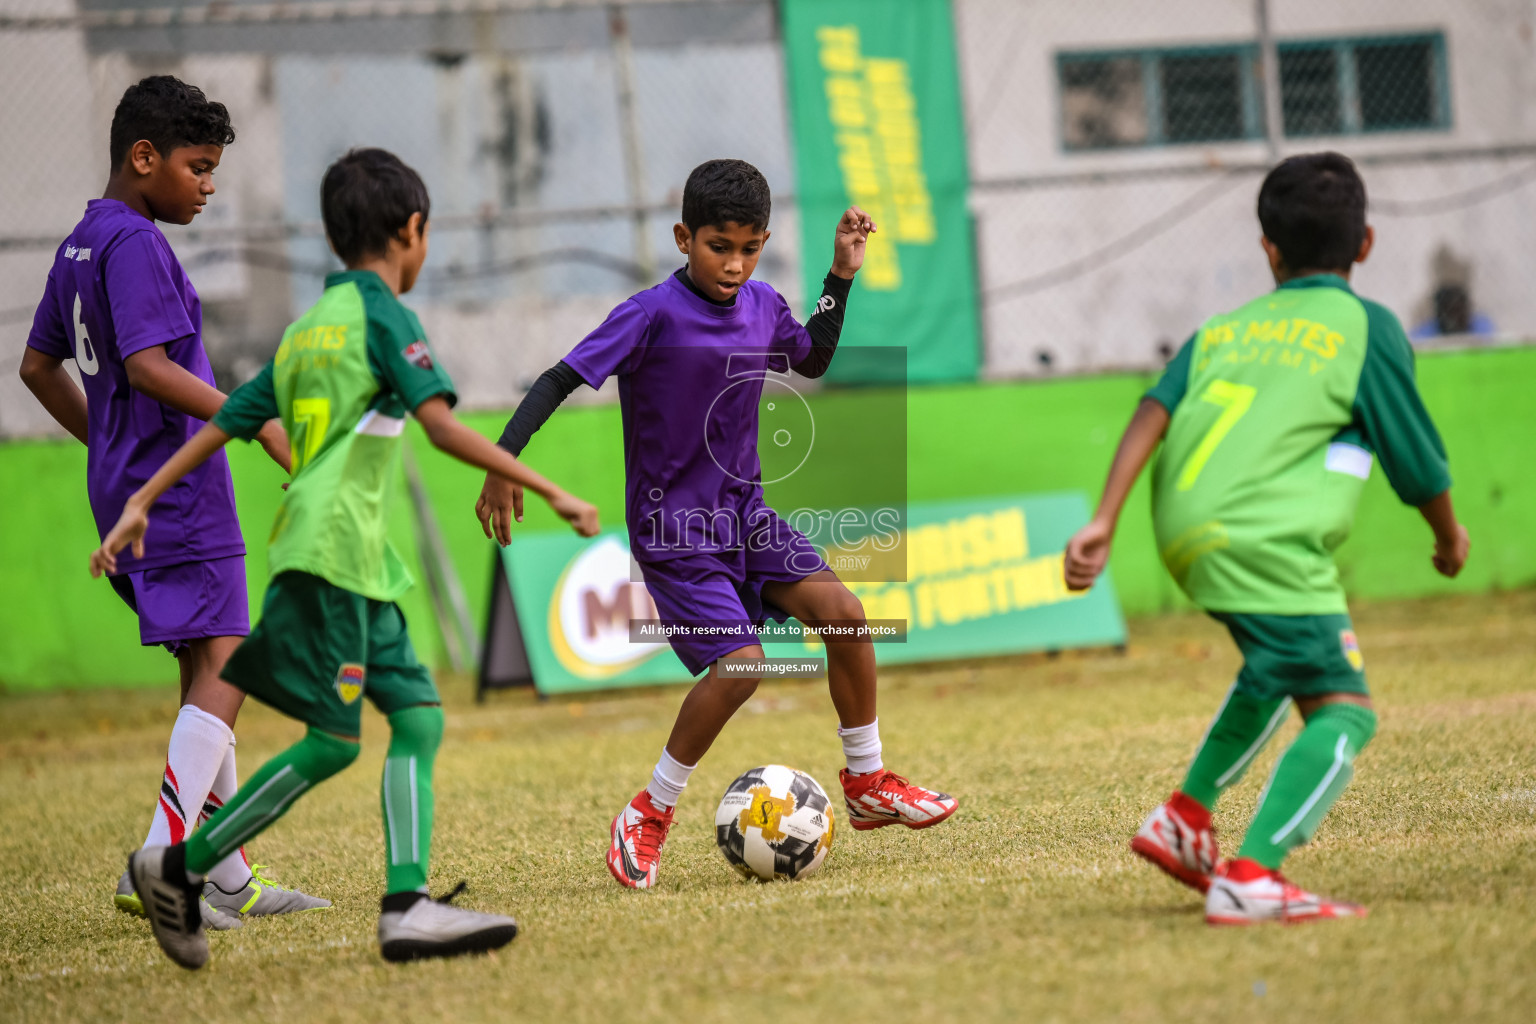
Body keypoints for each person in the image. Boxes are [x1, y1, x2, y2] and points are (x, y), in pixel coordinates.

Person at [92, 147, 600, 969]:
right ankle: (175, 868)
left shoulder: (307, 329)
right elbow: (440, 425)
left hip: (356, 563)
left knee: (419, 717)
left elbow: (225, 423)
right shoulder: (387, 317)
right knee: (332, 740)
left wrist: (142, 500)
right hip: (332, 558)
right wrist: (548, 488)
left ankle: (406, 907)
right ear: (413, 231)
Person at [475, 158, 958, 891]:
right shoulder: (648, 315)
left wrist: (841, 276)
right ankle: (649, 811)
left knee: (846, 614)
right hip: (675, 529)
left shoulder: (763, 303)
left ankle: (866, 782)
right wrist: (503, 461)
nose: (734, 264)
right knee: (742, 669)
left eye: (750, 247)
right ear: (683, 238)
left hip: (748, 515)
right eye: (718, 246)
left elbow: (814, 358)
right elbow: (558, 379)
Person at [1063, 152, 1470, 925]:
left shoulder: (1224, 328)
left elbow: (1154, 407)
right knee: (1345, 711)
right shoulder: (1366, 327)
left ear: (1268, 249)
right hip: (1265, 539)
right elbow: (1416, 462)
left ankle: (1185, 818)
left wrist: (1104, 518)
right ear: (1367, 244)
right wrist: (1448, 538)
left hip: (1183, 528)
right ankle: (1253, 876)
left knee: (1275, 666)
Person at [18, 74, 326, 927]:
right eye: (197, 166)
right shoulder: (136, 247)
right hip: (181, 497)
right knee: (230, 661)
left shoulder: (81, 242)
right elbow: (154, 367)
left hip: (128, 490)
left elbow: (37, 368)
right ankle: (161, 856)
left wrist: (109, 447)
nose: (209, 185)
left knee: (203, 671)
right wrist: (252, 419)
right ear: (143, 157)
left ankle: (225, 876)